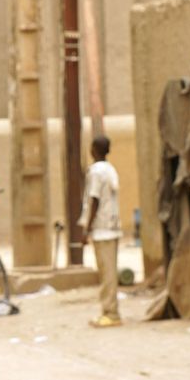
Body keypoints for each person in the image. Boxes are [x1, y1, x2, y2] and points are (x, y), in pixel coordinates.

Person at [81, 134, 123, 327]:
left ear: (94, 150)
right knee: (109, 272)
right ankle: (108, 310)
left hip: (102, 228)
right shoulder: (110, 169)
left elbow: (94, 200)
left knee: (107, 274)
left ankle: (111, 313)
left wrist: (87, 229)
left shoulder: (96, 172)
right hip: (112, 226)